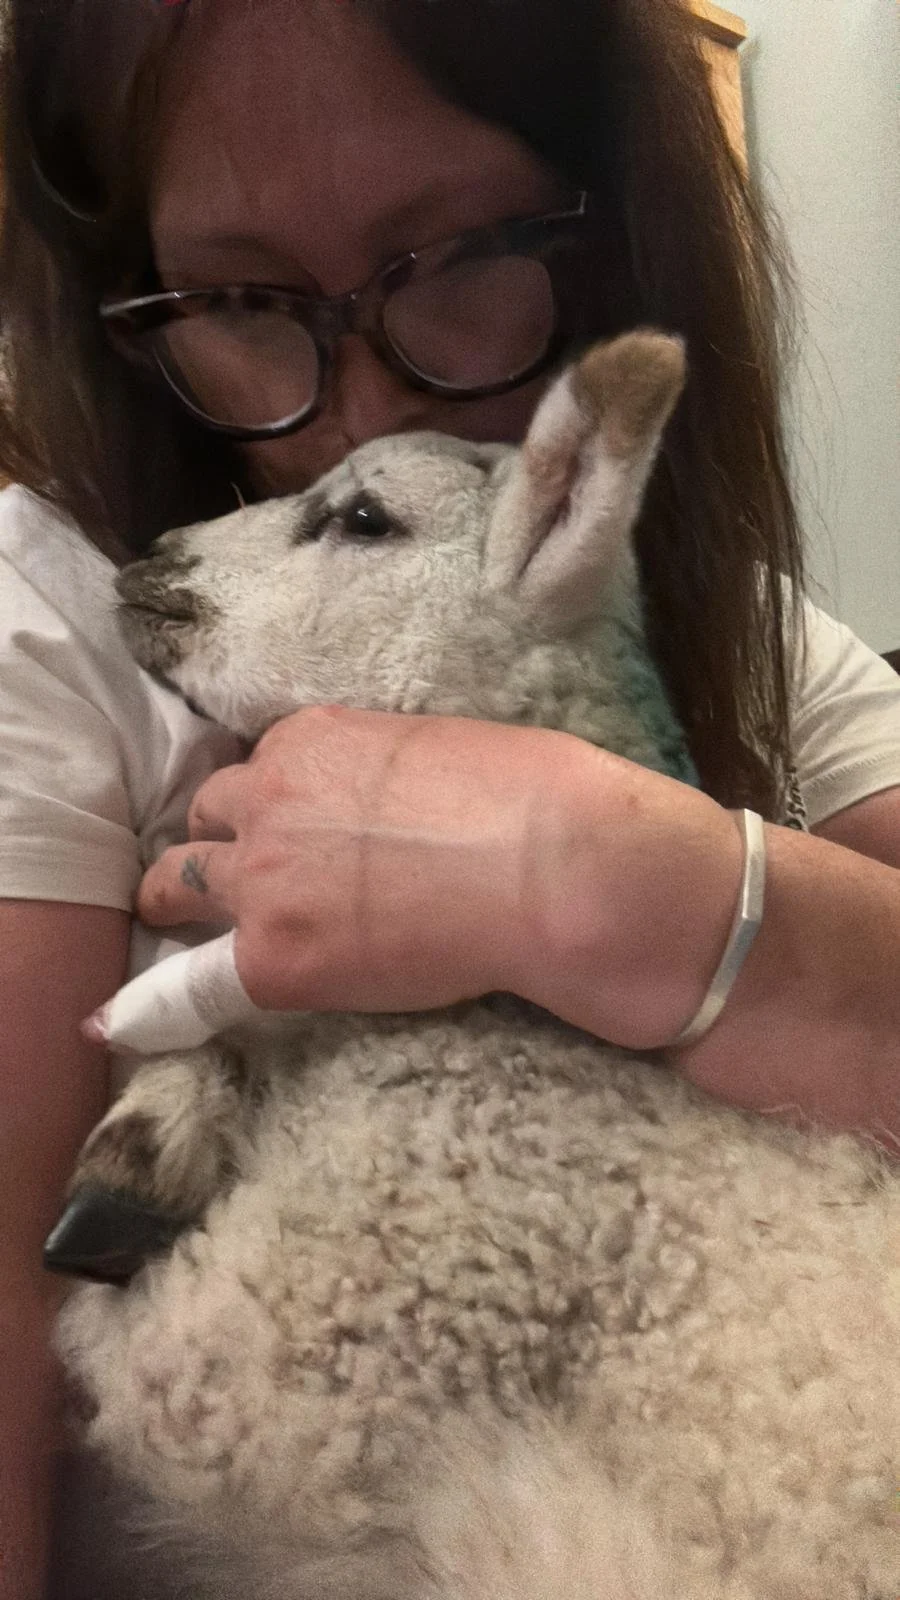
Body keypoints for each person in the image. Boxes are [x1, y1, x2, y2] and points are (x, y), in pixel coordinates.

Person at [0, 0, 897, 1593]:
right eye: (235, 299)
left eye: (468, 250)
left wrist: (613, 883)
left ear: (609, 230)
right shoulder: (46, 625)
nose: (364, 408)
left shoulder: (723, 616)